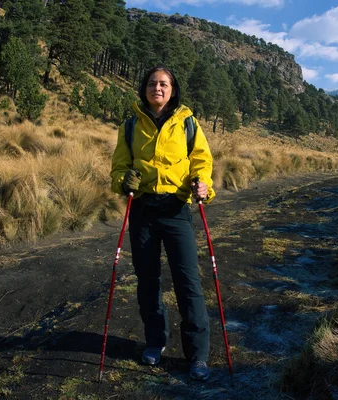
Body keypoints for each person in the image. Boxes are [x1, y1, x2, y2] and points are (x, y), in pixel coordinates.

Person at [110, 65, 216, 381]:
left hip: (176, 212)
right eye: (153, 83)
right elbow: (118, 169)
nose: (158, 88)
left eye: (164, 84)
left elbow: (203, 164)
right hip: (142, 211)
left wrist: (204, 186)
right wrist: (123, 181)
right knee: (148, 283)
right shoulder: (130, 126)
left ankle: (197, 355)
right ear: (144, 88)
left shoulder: (188, 124)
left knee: (188, 284)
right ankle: (155, 343)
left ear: (172, 90)